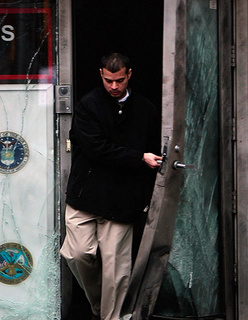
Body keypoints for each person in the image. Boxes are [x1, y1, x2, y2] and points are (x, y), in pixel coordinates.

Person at [60, 53, 162, 320]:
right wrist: (138, 158)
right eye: (108, 80)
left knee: (117, 271)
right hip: (86, 195)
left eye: (118, 80)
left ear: (129, 74)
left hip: (122, 199)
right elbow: (95, 148)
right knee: (77, 254)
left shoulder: (145, 109)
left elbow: (155, 151)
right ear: (100, 75)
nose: (114, 86)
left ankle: (112, 316)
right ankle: (99, 307)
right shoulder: (88, 105)